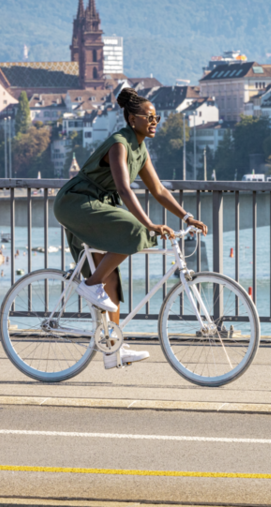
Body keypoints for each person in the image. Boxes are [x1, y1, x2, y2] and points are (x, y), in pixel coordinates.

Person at [54, 88, 208, 369]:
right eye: (148, 117)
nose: (154, 122)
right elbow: (124, 189)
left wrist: (186, 217)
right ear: (131, 118)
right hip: (77, 202)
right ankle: (90, 285)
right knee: (138, 232)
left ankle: (113, 349)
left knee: (111, 280)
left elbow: (159, 190)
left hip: (99, 204)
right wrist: (149, 223)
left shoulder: (141, 148)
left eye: (156, 117)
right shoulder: (119, 144)